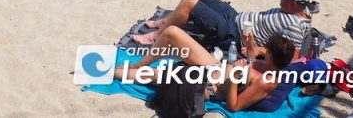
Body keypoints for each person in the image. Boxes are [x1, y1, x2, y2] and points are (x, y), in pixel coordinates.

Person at [120, 32, 297, 113]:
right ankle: (138, 64)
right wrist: (250, 47)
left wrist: (235, 77)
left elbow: (233, 106)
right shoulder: (265, 64)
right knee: (171, 34)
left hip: (206, 86)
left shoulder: (267, 82)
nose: (264, 50)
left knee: (155, 76)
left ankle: (112, 72)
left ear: (272, 56)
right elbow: (251, 64)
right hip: (213, 66)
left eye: (268, 50)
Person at [131, 0, 315, 58]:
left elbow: (291, 58)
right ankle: (165, 22)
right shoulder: (304, 9)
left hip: (233, 34)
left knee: (189, 4)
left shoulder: (294, 27)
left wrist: (259, 50)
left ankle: (156, 35)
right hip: (236, 17)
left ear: (292, 3)